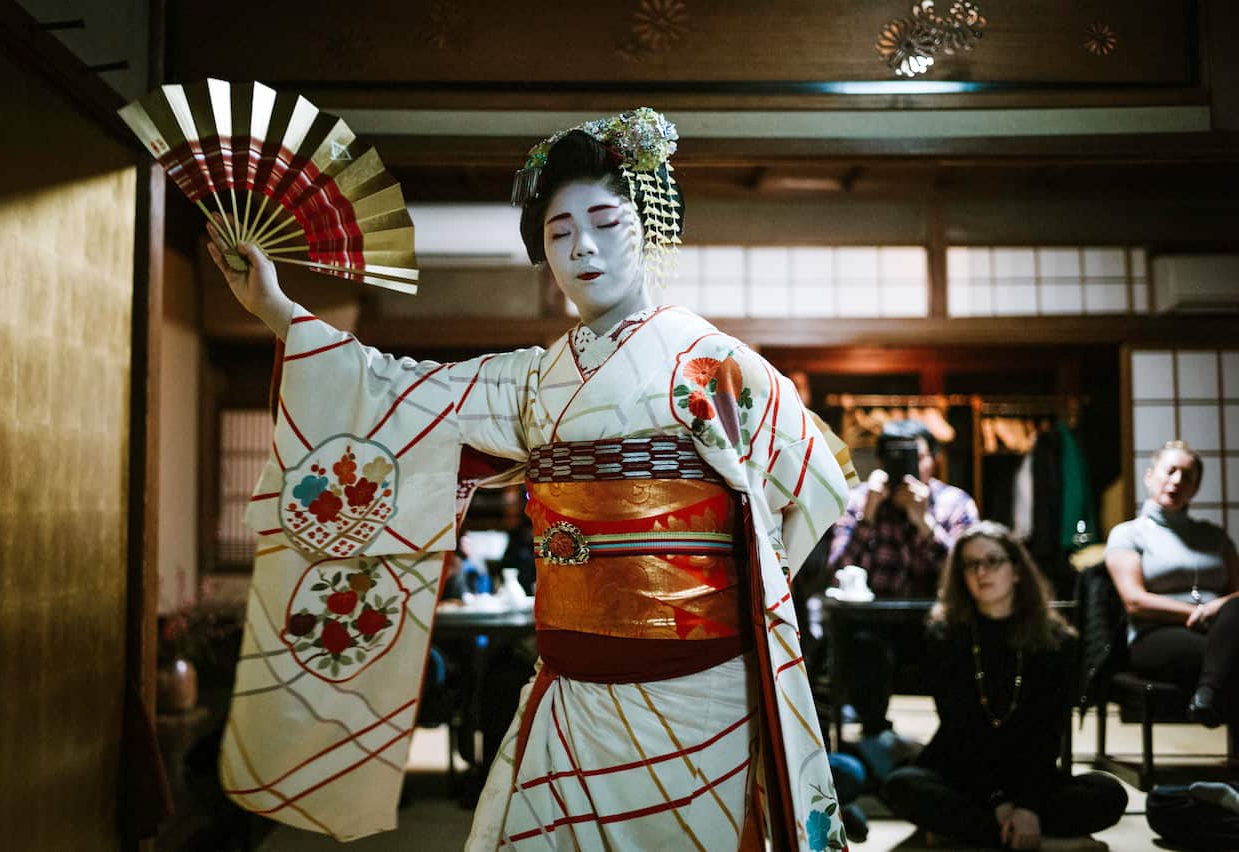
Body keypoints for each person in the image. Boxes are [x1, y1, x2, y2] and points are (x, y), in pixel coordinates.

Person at [209, 109, 857, 850]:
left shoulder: (713, 361)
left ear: (648, 227)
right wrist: (276, 309)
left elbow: (815, 484)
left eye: (606, 223)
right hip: (568, 688)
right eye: (559, 233)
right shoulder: (535, 380)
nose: (583, 247)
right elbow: (398, 390)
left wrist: (750, 595)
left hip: (697, 692)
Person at [884, 522, 1127, 849]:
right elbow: (958, 729)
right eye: (971, 564)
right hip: (964, 774)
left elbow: (1049, 732)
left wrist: (1027, 806)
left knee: (1109, 793)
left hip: (1028, 775)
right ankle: (1044, 843)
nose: (981, 572)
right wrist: (997, 801)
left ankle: (969, 833)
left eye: (993, 561)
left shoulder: (1055, 640)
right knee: (901, 785)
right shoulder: (945, 635)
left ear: (1016, 570)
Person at [827, 419, 979, 775]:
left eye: (915, 456)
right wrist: (868, 517)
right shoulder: (860, 500)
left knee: (957, 644)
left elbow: (970, 575)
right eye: (895, 456)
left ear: (934, 459)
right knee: (861, 647)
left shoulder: (954, 503)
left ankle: (954, 745)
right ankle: (875, 741)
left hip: (935, 621)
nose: (907, 465)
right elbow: (836, 572)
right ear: (880, 461)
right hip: (873, 623)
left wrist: (925, 523)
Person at [1105, 440, 1239, 728]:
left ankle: (1207, 696)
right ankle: (1209, 694)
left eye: (1187, 476)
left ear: (1196, 487)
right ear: (1149, 476)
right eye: (1170, 471)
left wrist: (1215, 609)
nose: (1177, 480)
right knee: (1232, 654)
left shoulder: (1214, 536)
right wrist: (1197, 613)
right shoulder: (1128, 534)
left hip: (1221, 628)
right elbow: (1135, 601)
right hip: (1156, 634)